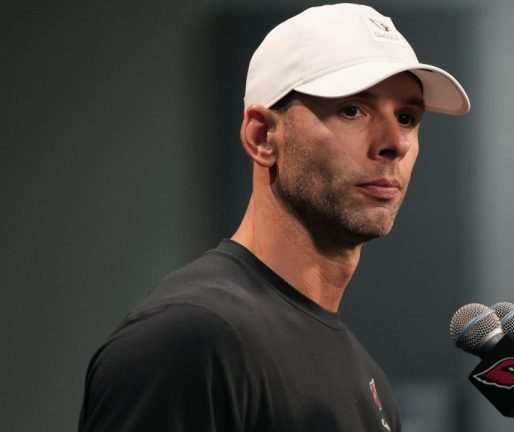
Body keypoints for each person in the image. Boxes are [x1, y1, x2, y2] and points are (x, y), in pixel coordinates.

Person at [78, 4, 470, 431]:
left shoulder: (367, 377)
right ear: (262, 136)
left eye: (408, 117)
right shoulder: (188, 338)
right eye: (352, 110)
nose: (395, 143)